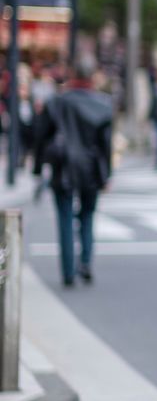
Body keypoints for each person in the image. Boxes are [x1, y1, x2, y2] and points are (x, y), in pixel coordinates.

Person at [32, 66, 113, 287]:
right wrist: (107, 175)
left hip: (63, 165)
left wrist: (38, 169)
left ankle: (68, 271)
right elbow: (106, 145)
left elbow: (41, 138)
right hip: (92, 166)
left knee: (65, 217)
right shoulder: (103, 104)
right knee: (87, 216)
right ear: (91, 78)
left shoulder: (57, 102)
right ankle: (85, 262)